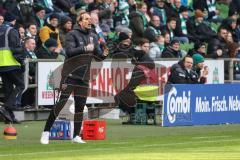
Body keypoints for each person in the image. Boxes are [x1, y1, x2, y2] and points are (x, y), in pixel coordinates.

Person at [40, 12, 109, 144]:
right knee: (61, 103)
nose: (90, 21)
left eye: (91, 19)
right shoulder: (72, 34)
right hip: (70, 74)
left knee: (80, 106)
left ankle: (76, 136)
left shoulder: (94, 36)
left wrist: (104, 54)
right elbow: (69, 52)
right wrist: (84, 48)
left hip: (84, 76)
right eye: (87, 19)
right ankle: (46, 132)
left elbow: (98, 57)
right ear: (80, 21)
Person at [114, 38, 156, 124]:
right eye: (145, 46)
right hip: (152, 92)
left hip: (142, 92)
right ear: (140, 47)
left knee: (119, 96)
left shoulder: (141, 65)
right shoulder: (149, 61)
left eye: (148, 47)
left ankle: (133, 116)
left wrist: (126, 90)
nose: (147, 48)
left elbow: (133, 84)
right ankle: (145, 114)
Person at [0, 13, 25, 123]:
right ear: (13, 21)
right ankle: (6, 107)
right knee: (21, 85)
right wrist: (22, 62)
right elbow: (16, 49)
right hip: (11, 63)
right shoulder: (12, 30)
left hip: (1, 65)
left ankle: (9, 117)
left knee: (8, 90)